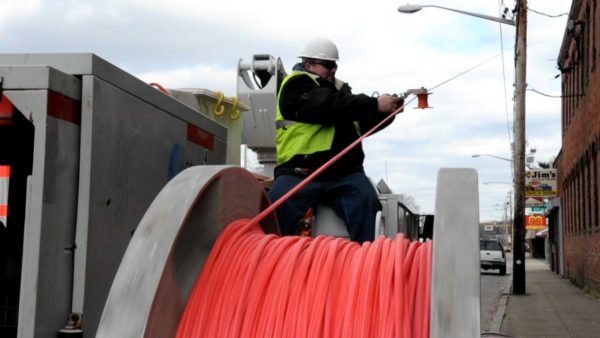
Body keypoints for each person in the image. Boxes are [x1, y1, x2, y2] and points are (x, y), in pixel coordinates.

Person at [268, 37, 400, 243]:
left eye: (335, 65)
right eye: (328, 65)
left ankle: (367, 265)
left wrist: (387, 113)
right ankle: (271, 262)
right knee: (276, 212)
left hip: (344, 175)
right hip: (299, 172)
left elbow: (360, 125)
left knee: (367, 204)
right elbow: (324, 106)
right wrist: (374, 104)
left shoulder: (339, 93)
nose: (332, 70)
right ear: (308, 64)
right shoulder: (296, 84)